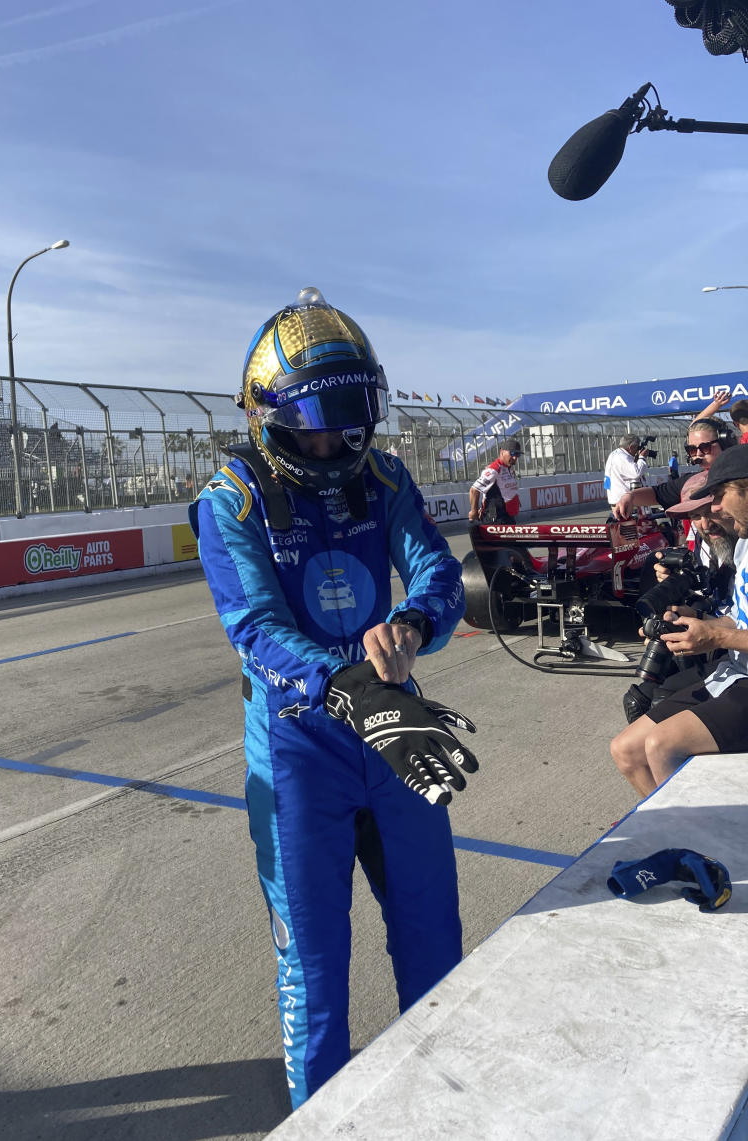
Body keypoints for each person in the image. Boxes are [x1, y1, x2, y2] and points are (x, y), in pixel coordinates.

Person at [189, 288, 477, 1110]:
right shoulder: (231, 497)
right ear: (269, 415)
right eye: (313, 419)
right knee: (315, 973)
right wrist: (340, 678)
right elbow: (252, 625)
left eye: (348, 414)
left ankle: (446, 1113)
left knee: (435, 944)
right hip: (297, 753)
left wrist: (416, 624)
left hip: (394, 733)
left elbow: (437, 570)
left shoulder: (383, 474)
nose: (331, 437)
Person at [610, 444, 748, 797]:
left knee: (662, 745)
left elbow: (731, 633)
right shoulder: (743, 544)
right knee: (626, 751)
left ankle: (704, 845)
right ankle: (673, 838)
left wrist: (715, 638)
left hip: (739, 673)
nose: (713, 511)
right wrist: (696, 622)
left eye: (718, 497)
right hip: (733, 672)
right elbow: (738, 620)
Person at [612, 418, 737, 521]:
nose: (698, 454)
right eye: (692, 449)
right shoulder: (691, 482)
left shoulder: (741, 477)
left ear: (726, 442)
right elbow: (658, 494)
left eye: (705, 447)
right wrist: (629, 496)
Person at [467, 443, 522, 523]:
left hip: (507, 516)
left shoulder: (508, 469)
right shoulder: (494, 470)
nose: (515, 457)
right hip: (495, 519)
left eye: (518, 454)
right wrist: (474, 511)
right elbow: (474, 490)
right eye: (512, 453)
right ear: (502, 452)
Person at [604, 434, 649, 510]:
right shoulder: (622, 457)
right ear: (631, 447)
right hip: (623, 501)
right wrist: (642, 458)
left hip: (620, 500)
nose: (638, 450)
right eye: (637, 447)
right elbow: (636, 473)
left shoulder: (616, 454)